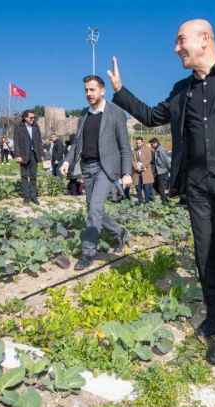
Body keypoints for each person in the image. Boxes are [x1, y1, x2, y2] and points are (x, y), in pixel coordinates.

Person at [109, 19, 215, 367]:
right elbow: (148, 116)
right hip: (198, 188)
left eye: (180, 41)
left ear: (205, 39)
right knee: (206, 256)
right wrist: (121, 90)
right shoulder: (180, 90)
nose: (175, 48)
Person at [61, 75, 133, 269]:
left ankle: (88, 253)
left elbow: (125, 146)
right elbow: (77, 143)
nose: (88, 94)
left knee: (94, 210)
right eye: (86, 90)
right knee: (95, 210)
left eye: (92, 90)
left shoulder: (115, 113)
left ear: (102, 90)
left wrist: (127, 172)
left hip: (105, 168)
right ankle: (120, 232)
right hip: (87, 167)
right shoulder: (84, 114)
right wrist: (67, 161)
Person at [14, 110, 47, 204]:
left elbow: (39, 141)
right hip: (23, 155)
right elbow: (16, 142)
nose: (33, 119)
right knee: (24, 176)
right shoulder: (18, 128)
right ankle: (26, 197)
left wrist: (41, 154)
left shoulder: (36, 127)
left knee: (33, 176)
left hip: (34, 155)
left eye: (34, 117)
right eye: (31, 117)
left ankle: (33, 196)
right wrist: (17, 155)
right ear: (25, 118)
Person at [131, 136, 155, 204]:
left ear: (142, 142)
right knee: (138, 188)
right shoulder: (134, 151)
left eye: (139, 143)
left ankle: (147, 201)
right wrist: (136, 167)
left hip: (145, 171)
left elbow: (149, 159)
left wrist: (142, 166)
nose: (138, 144)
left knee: (146, 188)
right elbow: (132, 160)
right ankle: (140, 201)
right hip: (137, 173)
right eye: (137, 143)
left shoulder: (147, 149)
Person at [150, 138, 172, 202]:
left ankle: (164, 201)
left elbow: (166, 160)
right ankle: (165, 199)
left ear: (155, 143)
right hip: (158, 172)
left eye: (152, 144)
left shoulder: (161, 150)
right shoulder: (156, 150)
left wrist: (169, 169)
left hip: (162, 171)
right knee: (156, 185)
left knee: (161, 187)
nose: (151, 146)